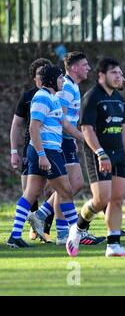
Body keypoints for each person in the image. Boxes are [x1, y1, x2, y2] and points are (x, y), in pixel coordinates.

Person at [29, 52, 105, 246]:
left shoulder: (72, 86)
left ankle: (43, 215)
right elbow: (60, 121)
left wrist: (80, 138)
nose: (89, 68)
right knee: (68, 188)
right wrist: (81, 138)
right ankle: (67, 231)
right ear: (73, 68)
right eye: (85, 65)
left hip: (66, 141)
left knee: (72, 186)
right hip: (60, 142)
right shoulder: (66, 88)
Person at [7, 65, 84, 248]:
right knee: (65, 191)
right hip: (47, 151)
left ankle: (15, 236)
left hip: (46, 151)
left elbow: (65, 124)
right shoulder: (42, 97)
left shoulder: (53, 98)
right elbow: (33, 128)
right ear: (51, 80)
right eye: (60, 78)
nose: (63, 81)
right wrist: (42, 155)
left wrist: (84, 138)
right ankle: (75, 234)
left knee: (31, 193)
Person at [65, 57, 125, 257]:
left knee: (117, 199)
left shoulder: (118, 99)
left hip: (118, 154)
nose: (119, 76)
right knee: (101, 200)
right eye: (114, 73)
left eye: (120, 73)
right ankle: (78, 228)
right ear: (101, 75)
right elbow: (86, 129)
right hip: (98, 154)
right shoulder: (91, 97)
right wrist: (100, 153)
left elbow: (123, 131)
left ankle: (113, 244)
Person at [10, 58, 54, 243]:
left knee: (54, 190)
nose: (42, 77)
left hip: (53, 148)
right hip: (32, 150)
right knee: (30, 191)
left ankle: (46, 229)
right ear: (34, 77)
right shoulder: (28, 97)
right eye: (39, 74)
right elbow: (17, 125)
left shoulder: (56, 96)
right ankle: (30, 229)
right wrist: (14, 151)